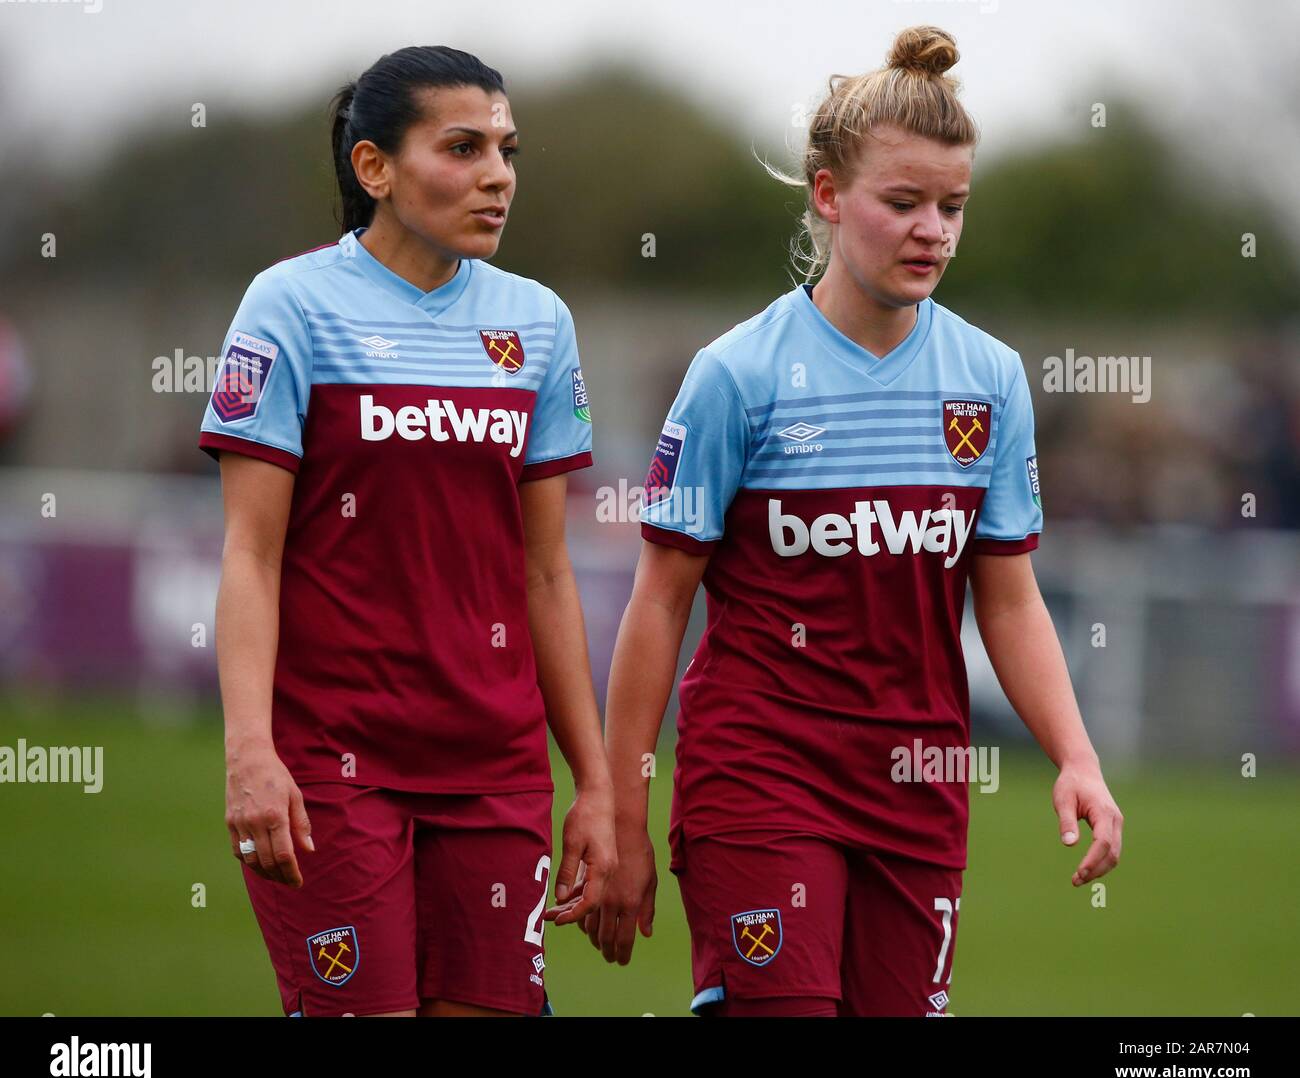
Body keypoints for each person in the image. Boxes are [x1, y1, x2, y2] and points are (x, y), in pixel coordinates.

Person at [590, 25, 1123, 1016]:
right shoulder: (735, 376)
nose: (934, 230)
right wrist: (621, 807)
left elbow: (1005, 600)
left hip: (917, 782)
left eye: (953, 206)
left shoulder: (988, 379)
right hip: (759, 769)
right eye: (904, 202)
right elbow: (659, 603)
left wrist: (1076, 755)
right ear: (829, 197)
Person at [199, 45, 615, 1017]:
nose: (497, 175)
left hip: (496, 773)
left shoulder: (538, 324)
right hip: (334, 768)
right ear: (373, 168)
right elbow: (250, 553)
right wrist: (249, 750)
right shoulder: (290, 307)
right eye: (463, 147)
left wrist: (593, 780)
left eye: (507, 150)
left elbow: (545, 573)